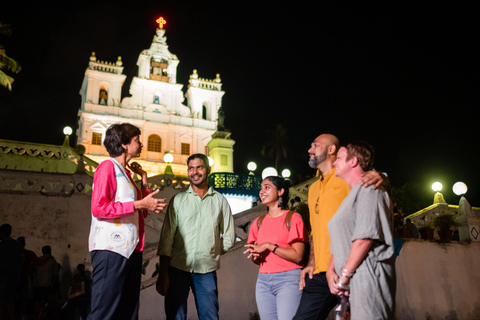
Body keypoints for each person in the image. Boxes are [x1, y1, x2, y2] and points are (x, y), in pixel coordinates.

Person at [293, 134, 386, 320]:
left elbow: (372, 189)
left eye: (315, 145)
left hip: (348, 267)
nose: (310, 150)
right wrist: (311, 263)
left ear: (331, 150)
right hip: (321, 272)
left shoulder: (345, 178)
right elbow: (315, 231)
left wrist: (382, 177)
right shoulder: (312, 189)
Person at [87, 123, 167, 320]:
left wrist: (144, 178)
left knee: (128, 311)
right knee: (104, 312)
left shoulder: (127, 176)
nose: (141, 145)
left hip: (130, 250)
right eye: (137, 141)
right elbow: (99, 208)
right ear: (124, 144)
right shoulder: (108, 167)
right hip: (111, 249)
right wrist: (139, 204)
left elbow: (141, 212)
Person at [156, 153, 235, 320]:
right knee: (175, 316)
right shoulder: (178, 200)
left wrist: (210, 250)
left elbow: (229, 238)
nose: (195, 172)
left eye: (199, 167)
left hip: (206, 270)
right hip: (177, 268)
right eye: (191, 168)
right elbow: (166, 238)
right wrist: (163, 273)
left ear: (208, 170)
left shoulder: (220, 201)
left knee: (210, 317)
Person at [327, 141, 395, 319]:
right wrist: (330, 270)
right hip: (350, 283)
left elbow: (365, 237)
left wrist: (344, 276)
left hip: (367, 276)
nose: (334, 162)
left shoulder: (370, 188)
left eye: (339, 158)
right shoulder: (350, 197)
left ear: (353, 161)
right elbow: (342, 239)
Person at [244, 176, 309, 320]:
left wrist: (269, 246)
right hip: (263, 281)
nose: (262, 191)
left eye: (267, 187)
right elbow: (257, 259)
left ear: (280, 191)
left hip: (288, 279)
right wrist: (255, 257)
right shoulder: (258, 223)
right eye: (261, 188)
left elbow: (298, 256)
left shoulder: (293, 218)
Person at [0, 224, 22, 320]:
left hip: (3, 276)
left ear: (3, 233)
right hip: (14, 276)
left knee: (2, 300)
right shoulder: (17, 244)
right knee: (8, 300)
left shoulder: (2, 245)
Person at [32, 245, 59, 320]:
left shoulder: (37, 260)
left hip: (36, 284)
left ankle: (35, 317)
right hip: (46, 285)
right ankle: (39, 318)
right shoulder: (52, 261)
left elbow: (32, 272)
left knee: (36, 304)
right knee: (42, 304)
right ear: (50, 251)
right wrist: (53, 284)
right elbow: (55, 275)